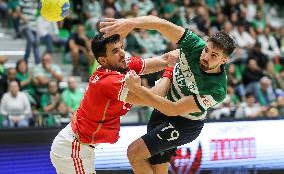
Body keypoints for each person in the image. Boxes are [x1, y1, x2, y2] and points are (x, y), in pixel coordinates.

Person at [100, 15, 236, 174]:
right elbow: (160, 24)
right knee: (158, 168)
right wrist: (131, 23)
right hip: (162, 108)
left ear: (224, 60)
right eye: (207, 50)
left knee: (134, 152)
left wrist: (138, 89)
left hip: (184, 123)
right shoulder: (194, 44)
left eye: (214, 56)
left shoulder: (217, 89)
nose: (206, 57)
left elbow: (173, 109)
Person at [50, 33, 178, 174]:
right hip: (73, 149)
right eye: (115, 51)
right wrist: (170, 70)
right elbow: (155, 97)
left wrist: (196, 48)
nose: (122, 53)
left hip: (78, 146)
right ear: (103, 60)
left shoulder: (120, 65)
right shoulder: (109, 81)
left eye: (121, 47)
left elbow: (164, 59)